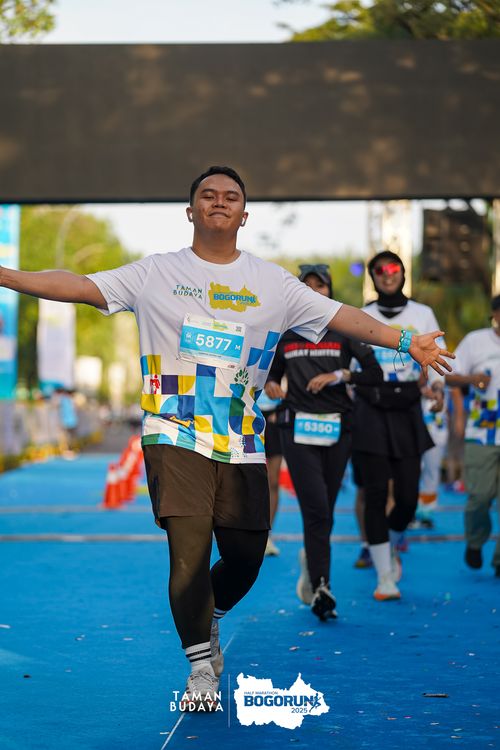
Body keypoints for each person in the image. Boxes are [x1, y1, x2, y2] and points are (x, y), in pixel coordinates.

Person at [0, 166, 453, 711]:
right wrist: (7, 276)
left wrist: (406, 341)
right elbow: (78, 285)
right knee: (188, 556)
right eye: (208, 195)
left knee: (245, 557)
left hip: (241, 437)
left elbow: (344, 317)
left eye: (230, 196)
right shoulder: (155, 272)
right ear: (190, 211)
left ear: (244, 215)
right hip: (173, 430)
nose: (219, 201)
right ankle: (200, 671)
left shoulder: (272, 283)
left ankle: (209, 614)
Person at [265, 263, 383, 620]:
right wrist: (272, 385)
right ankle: (321, 587)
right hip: (296, 430)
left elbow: (374, 373)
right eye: (308, 286)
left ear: (330, 291)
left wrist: (340, 375)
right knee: (316, 509)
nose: (315, 292)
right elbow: (270, 376)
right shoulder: (286, 335)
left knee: (326, 512)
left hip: (338, 429)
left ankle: (312, 565)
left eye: (321, 286)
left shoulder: (344, 331)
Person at [352, 251, 446, 602]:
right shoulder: (361, 315)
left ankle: (389, 548)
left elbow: (437, 359)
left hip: (408, 409)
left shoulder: (422, 314)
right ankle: (384, 577)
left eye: (394, 268)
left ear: (403, 273)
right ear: (373, 276)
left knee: (407, 499)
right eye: (380, 270)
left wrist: (437, 390)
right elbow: (349, 364)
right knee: (375, 494)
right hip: (370, 409)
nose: (387, 274)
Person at [445, 295, 500, 577]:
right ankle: (475, 540)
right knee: (480, 496)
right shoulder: (475, 341)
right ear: (495, 314)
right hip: (483, 434)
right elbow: (447, 376)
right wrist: (472, 379)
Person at [256, 388, 283, 556]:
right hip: (247, 412)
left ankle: (266, 535)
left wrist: (283, 408)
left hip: (275, 416)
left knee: (273, 481)